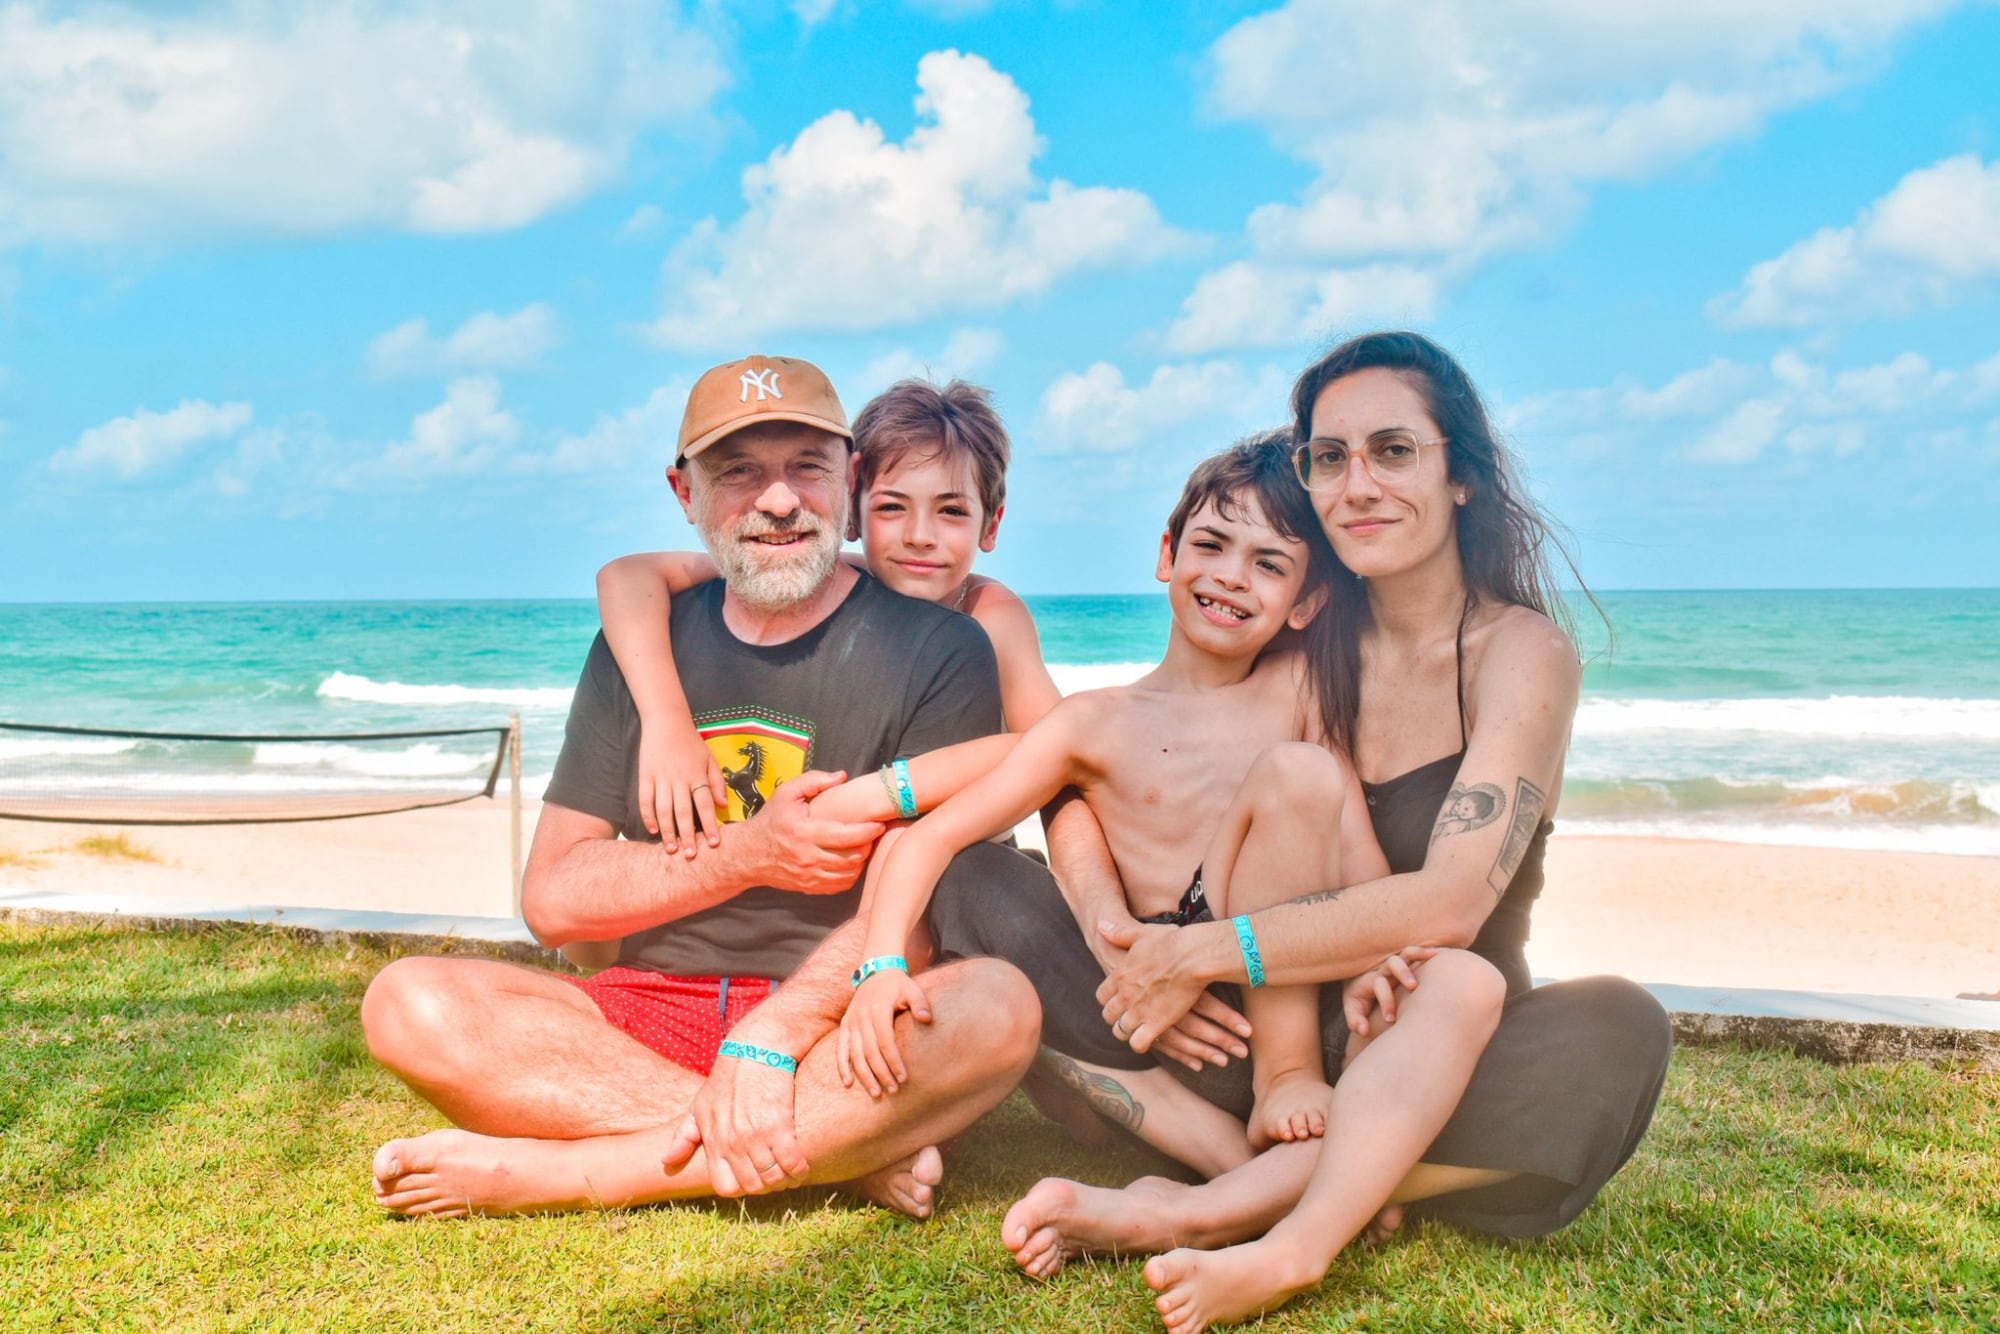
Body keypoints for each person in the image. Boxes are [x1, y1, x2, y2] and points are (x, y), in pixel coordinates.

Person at [940, 333, 1671, 1331]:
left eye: (1392, 450)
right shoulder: (1298, 622)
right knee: (982, 886)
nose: (1355, 481)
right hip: (1259, 1036)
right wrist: (1106, 907)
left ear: (1459, 473)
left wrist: (1194, 949)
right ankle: (1346, 1174)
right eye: (1329, 456)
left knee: (1616, 1026)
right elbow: (1111, 755)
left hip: (1425, 1028)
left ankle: (1222, 1205)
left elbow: (1454, 899)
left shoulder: (1517, 651)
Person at [360, 354, 1044, 1220]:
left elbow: (920, 901)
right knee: (408, 1002)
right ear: (685, 495)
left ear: (850, 477)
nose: (779, 500)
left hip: (833, 1028)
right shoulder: (644, 644)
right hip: (642, 1012)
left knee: (996, 1006)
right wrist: (749, 854)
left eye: (807, 467)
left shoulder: (945, 647)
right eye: (739, 473)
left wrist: (775, 1035)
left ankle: (582, 1173)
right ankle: (828, 1151)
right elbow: (556, 901)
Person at [835, 435, 1505, 1186]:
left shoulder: (1302, 694)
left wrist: (1371, 964)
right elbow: (933, 840)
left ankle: (1283, 1081)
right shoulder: (1095, 721)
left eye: (1270, 564)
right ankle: (1234, 1159)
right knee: (979, 869)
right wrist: (882, 965)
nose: (1230, 578)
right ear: (1167, 552)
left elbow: (1358, 866)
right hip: (1139, 1005)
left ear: (1307, 601)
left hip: (1268, 987)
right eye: (1212, 545)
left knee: (1298, 776)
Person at [594, 378, 1060, 855]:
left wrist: (872, 794)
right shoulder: (841, 573)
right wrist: (667, 722)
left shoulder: (989, 612)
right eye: (892, 507)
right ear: (852, 508)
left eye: (952, 510)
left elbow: (1063, 744)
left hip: (970, 868)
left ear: (991, 523)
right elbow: (626, 576)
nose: (920, 536)